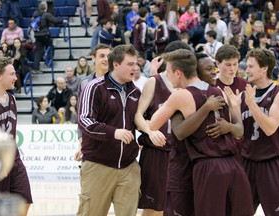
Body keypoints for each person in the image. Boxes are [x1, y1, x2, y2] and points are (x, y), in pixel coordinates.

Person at [148, 49, 254, 216]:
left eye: (167, 72)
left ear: (178, 72)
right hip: (233, 164)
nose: (166, 76)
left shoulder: (181, 95)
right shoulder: (218, 91)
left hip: (207, 166)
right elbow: (239, 132)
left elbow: (153, 125)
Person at [77, 45, 141, 216]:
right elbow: (85, 120)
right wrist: (114, 132)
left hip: (129, 166)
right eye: (130, 64)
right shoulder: (94, 87)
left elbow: (144, 121)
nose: (134, 68)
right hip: (98, 165)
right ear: (116, 65)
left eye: (136, 64)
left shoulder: (136, 91)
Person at [134, 41, 193, 216]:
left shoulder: (190, 85)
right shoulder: (154, 82)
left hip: (182, 154)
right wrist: (150, 131)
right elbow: (138, 116)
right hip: (156, 153)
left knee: (180, 207)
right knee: (153, 209)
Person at [225, 48, 279, 216]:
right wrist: (235, 109)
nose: (246, 70)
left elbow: (270, 128)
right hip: (247, 161)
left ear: (264, 68)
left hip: (272, 162)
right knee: (239, 211)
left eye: (250, 66)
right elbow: (239, 134)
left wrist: (252, 105)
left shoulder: (278, 94)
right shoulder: (244, 96)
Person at [0, 57, 32, 215]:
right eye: (12, 74)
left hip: (14, 158)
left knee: (25, 200)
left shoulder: (12, 99)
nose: (16, 78)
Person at [74, 43, 111, 161]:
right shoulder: (85, 82)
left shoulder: (120, 82)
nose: (106, 59)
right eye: (102, 56)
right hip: (90, 142)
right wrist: (81, 142)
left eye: (108, 56)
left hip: (112, 140)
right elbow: (81, 115)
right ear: (93, 58)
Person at [32, 1, 68, 72]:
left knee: (39, 51)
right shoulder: (46, 14)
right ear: (46, 7)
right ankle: (48, 63)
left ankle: (35, 68)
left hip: (36, 35)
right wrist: (62, 21)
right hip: (45, 34)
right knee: (50, 47)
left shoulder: (35, 14)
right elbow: (54, 20)